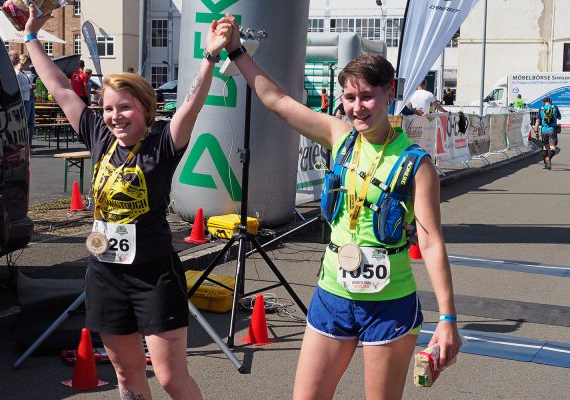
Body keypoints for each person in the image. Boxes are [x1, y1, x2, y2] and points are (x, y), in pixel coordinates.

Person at [223, 15, 461, 400]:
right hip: (332, 295)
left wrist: (448, 320)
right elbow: (277, 100)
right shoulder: (341, 137)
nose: (357, 107)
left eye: (367, 96)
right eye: (349, 98)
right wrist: (236, 50)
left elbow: (432, 243)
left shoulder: (417, 164)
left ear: (389, 93)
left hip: (389, 302)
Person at [23, 5, 231, 400]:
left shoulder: (161, 145)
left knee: (170, 378)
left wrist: (210, 56)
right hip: (105, 275)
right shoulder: (98, 136)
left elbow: (192, 104)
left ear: (145, 110)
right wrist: (31, 38)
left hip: (154, 276)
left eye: (125, 107)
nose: (115, 116)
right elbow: (61, 88)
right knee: (125, 375)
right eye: (108, 108)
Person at [14, 54, 36, 152]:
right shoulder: (17, 73)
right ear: (24, 62)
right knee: (25, 124)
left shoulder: (22, 72)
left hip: (29, 98)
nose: (28, 66)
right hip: (24, 99)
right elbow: (17, 88)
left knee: (31, 124)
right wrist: (30, 86)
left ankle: (29, 146)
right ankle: (25, 146)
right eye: (28, 64)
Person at [534, 97, 561, 170]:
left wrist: (536, 132)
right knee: (552, 147)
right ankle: (548, 158)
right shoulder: (554, 107)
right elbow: (559, 118)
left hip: (544, 130)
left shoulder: (541, 109)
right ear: (550, 101)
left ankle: (545, 164)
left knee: (545, 147)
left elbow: (537, 122)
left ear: (543, 102)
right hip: (552, 129)